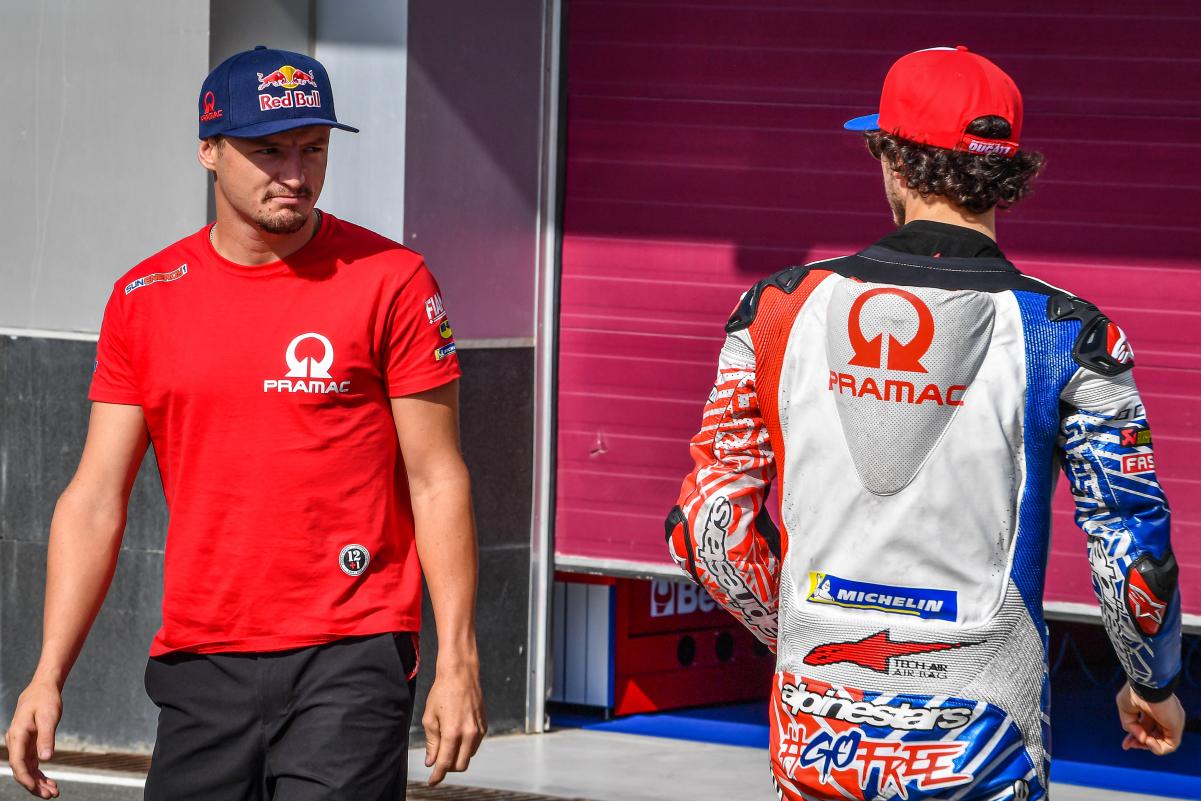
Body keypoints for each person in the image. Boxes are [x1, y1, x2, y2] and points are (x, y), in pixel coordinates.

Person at [666, 45, 1184, 801]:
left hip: (816, 733)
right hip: (982, 742)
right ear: (1007, 172)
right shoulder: (1073, 335)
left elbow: (709, 526)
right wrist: (1151, 680)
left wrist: (810, 641)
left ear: (893, 160)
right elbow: (1133, 547)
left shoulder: (775, 308)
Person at [5, 46, 485, 801]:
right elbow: (95, 497)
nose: (295, 174)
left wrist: (457, 657)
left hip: (351, 651)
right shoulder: (144, 297)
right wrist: (47, 674)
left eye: (313, 149)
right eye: (269, 151)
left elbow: (436, 478)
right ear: (209, 150)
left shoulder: (392, 281)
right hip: (201, 658)